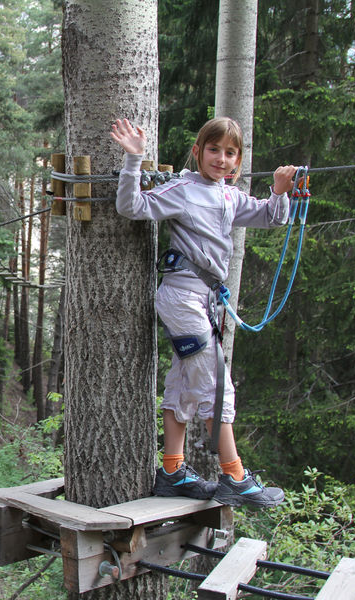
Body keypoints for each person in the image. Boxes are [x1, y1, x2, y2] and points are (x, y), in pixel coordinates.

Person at [110, 117, 297, 509]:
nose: (221, 158)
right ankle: (234, 476)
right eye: (214, 150)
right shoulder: (183, 189)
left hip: (202, 302)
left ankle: (173, 471)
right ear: (198, 152)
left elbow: (271, 216)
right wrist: (133, 161)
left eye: (230, 153)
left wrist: (280, 192)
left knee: (183, 382)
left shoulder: (229, 197)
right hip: (182, 299)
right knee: (216, 386)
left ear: (238, 161)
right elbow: (131, 206)